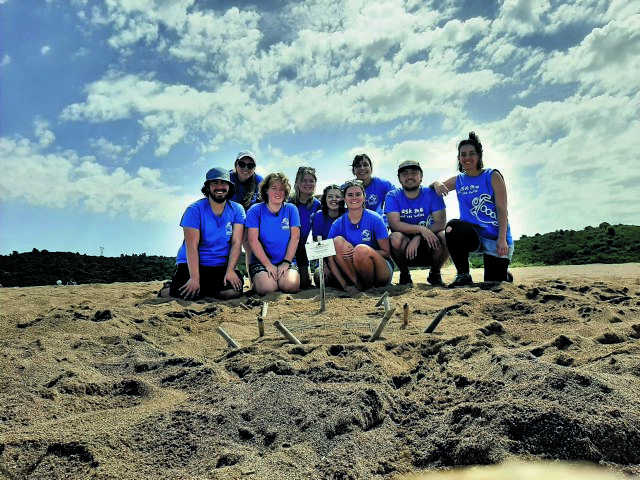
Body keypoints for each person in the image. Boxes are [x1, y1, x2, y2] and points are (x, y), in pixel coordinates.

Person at [432, 132, 514, 287]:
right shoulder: (459, 180)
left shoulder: (492, 176)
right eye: (463, 154)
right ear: (459, 158)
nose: (467, 158)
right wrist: (436, 182)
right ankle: (463, 274)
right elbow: (435, 189)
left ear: (479, 156)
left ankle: (504, 274)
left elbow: (502, 209)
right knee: (452, 227)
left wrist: (502, 239)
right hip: (473, 236)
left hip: (495, 238)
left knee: (492, 283)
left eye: (471, 154)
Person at [167, 167, 245, 300]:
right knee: (185, 294)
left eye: (223, 183)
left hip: (221, 264)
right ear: (208, 187)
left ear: (229, 186)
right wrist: (194, 279)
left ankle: (208, 290)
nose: (219, 187)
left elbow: (237, 242)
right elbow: (192, 246)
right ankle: (168, 287)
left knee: (233, 293)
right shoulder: (194, 210)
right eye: (214, 183)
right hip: (194, 264)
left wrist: (231, 271)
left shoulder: (237, 209)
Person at [385, 160, 449, 286]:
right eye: (404, 173)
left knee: (445, 236)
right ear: (399, 179)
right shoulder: (393, 196)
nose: (409, 176)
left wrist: (420, 236)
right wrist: (420, 230)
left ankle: (435, 273)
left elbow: (440, 223)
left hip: (430, 242)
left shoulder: (432, 193)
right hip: (405, 246)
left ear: (421, 176)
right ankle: (405, 274)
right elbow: (394, 224)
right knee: (394, 238)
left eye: (414, 172)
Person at [327, 180, 393, 295]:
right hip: (354, 273)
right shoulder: (338, 224)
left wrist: (361, 253)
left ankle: (370, 287)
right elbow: (330, 258)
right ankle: (357, 284)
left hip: (380, 272)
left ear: (364, 197)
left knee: (361, 250)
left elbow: (386, 252)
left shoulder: (375, 219)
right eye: (350, 195)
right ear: (344, 198)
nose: (354, 198)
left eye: (358, 194)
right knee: (337, 242)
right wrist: (345, 285)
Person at [246, 172, 301, 295]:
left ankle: (281, 278)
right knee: (268, 288)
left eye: (282, 189)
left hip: (286, 260)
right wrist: (268, 265)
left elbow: (295, 238)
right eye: (274, 188)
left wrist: (286, 263)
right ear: (266, 190)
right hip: (261, 261)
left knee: (290, 286)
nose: (278, 192)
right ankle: (257, 283)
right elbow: (253, 241)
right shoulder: (255, 210)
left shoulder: (291, 209)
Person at [229, 150, 263, 283]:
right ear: (235, 164)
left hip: (249, 221)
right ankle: (230, 275)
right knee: (230, 247)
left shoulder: (260, 181)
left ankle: (252, 281)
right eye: (242, 164)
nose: (245, 168)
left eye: (250, 165)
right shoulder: (227, 178)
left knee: (250, 248)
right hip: (229, 220)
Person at [290, 166, 321, 289]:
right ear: (297, 182)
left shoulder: (317, 205)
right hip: (284, 248)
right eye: (304, 180)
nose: (308, 184)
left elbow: (316, 233)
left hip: (302, 247)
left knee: (305, 283)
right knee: (292, 284)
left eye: (311, 181)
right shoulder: (288, 202)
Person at [311, 184, 345, 288]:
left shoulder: (347, 214)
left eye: (337, 196)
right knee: (319, 277)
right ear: (325, 199)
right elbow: (317, 244)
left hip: (344, 260)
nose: (334, 199)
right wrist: (325, 266)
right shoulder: (319, 215)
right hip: (325, 260)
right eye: (330, 196)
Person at [348, 153, 395, 217]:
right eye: (358, 166)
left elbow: (397, 197)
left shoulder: (383, 184)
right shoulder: (347, 188)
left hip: (378, 223)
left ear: (371, 169)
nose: (362, 168)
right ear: (353, 171)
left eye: (365, 165)